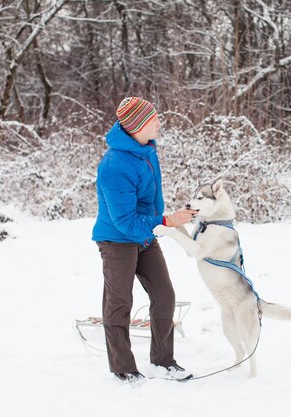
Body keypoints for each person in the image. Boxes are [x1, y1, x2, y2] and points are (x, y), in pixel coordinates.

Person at [92, 97, 197, 383]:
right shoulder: (114, 165)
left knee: (164, 295)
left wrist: (167, 222)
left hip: (146, 234)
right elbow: (124, 222)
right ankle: (123, 368)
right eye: (154, 120)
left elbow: (148, 202)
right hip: (116, 241)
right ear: (138, 126)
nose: (159, 123)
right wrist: (166, 222)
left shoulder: (146, 150)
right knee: (120, 302)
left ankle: (163, 362)